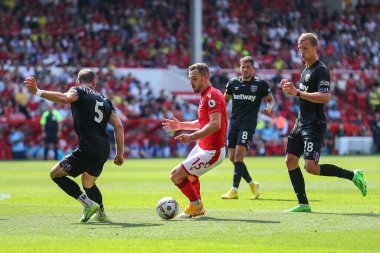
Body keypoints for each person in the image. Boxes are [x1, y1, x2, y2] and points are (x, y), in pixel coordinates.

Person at [280, 33, 367, 212]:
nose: (301, 52)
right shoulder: (306, 69)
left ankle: (353, 175)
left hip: (314, 124)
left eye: (305, 48)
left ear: (314, 48)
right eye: (299, 49)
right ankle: (303, 204)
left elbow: (325, 97)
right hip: (301, 122)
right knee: (290, 161)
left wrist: (297, 93)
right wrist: (290, 90)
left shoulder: (321, 69)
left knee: (311, 167)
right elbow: (302, 94)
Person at [24, 68, 124, 222]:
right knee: (88, 183)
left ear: (77, 82)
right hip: (104, 149)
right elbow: (118, 125)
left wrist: (38, 92)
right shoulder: (105, 100)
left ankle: (88, 204)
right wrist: (119, 154)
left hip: (88, 148)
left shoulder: (78, 90)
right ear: (94, 83)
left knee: (55, 174)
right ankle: (101, 214)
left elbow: (65, 99)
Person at [162, 63, 227, 218]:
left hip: (212, 151)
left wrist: (191, 137)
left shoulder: (212, 96)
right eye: (190, 79)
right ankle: (198, 206)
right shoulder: (205, 95)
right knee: (188, 176)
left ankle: (196, 205)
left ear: (205, 78)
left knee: (176, 175)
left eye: (194, 79)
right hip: (203, 146)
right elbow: (203, 123)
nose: (191, 82)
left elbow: (215, 124)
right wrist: (181, 125)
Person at [221, 56, 275, 200]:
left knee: (239, 155)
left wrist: (269, 108)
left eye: (248, 67)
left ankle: (234, 190)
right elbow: (223, 101)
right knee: (232, 158)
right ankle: (252, 185)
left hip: (248, 124)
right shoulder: (233, 83)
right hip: (234, 123)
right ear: (240, 68)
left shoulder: (260, 84)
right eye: (243, 67)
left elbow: (270, 100)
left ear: (253, 69)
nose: (245, 70)